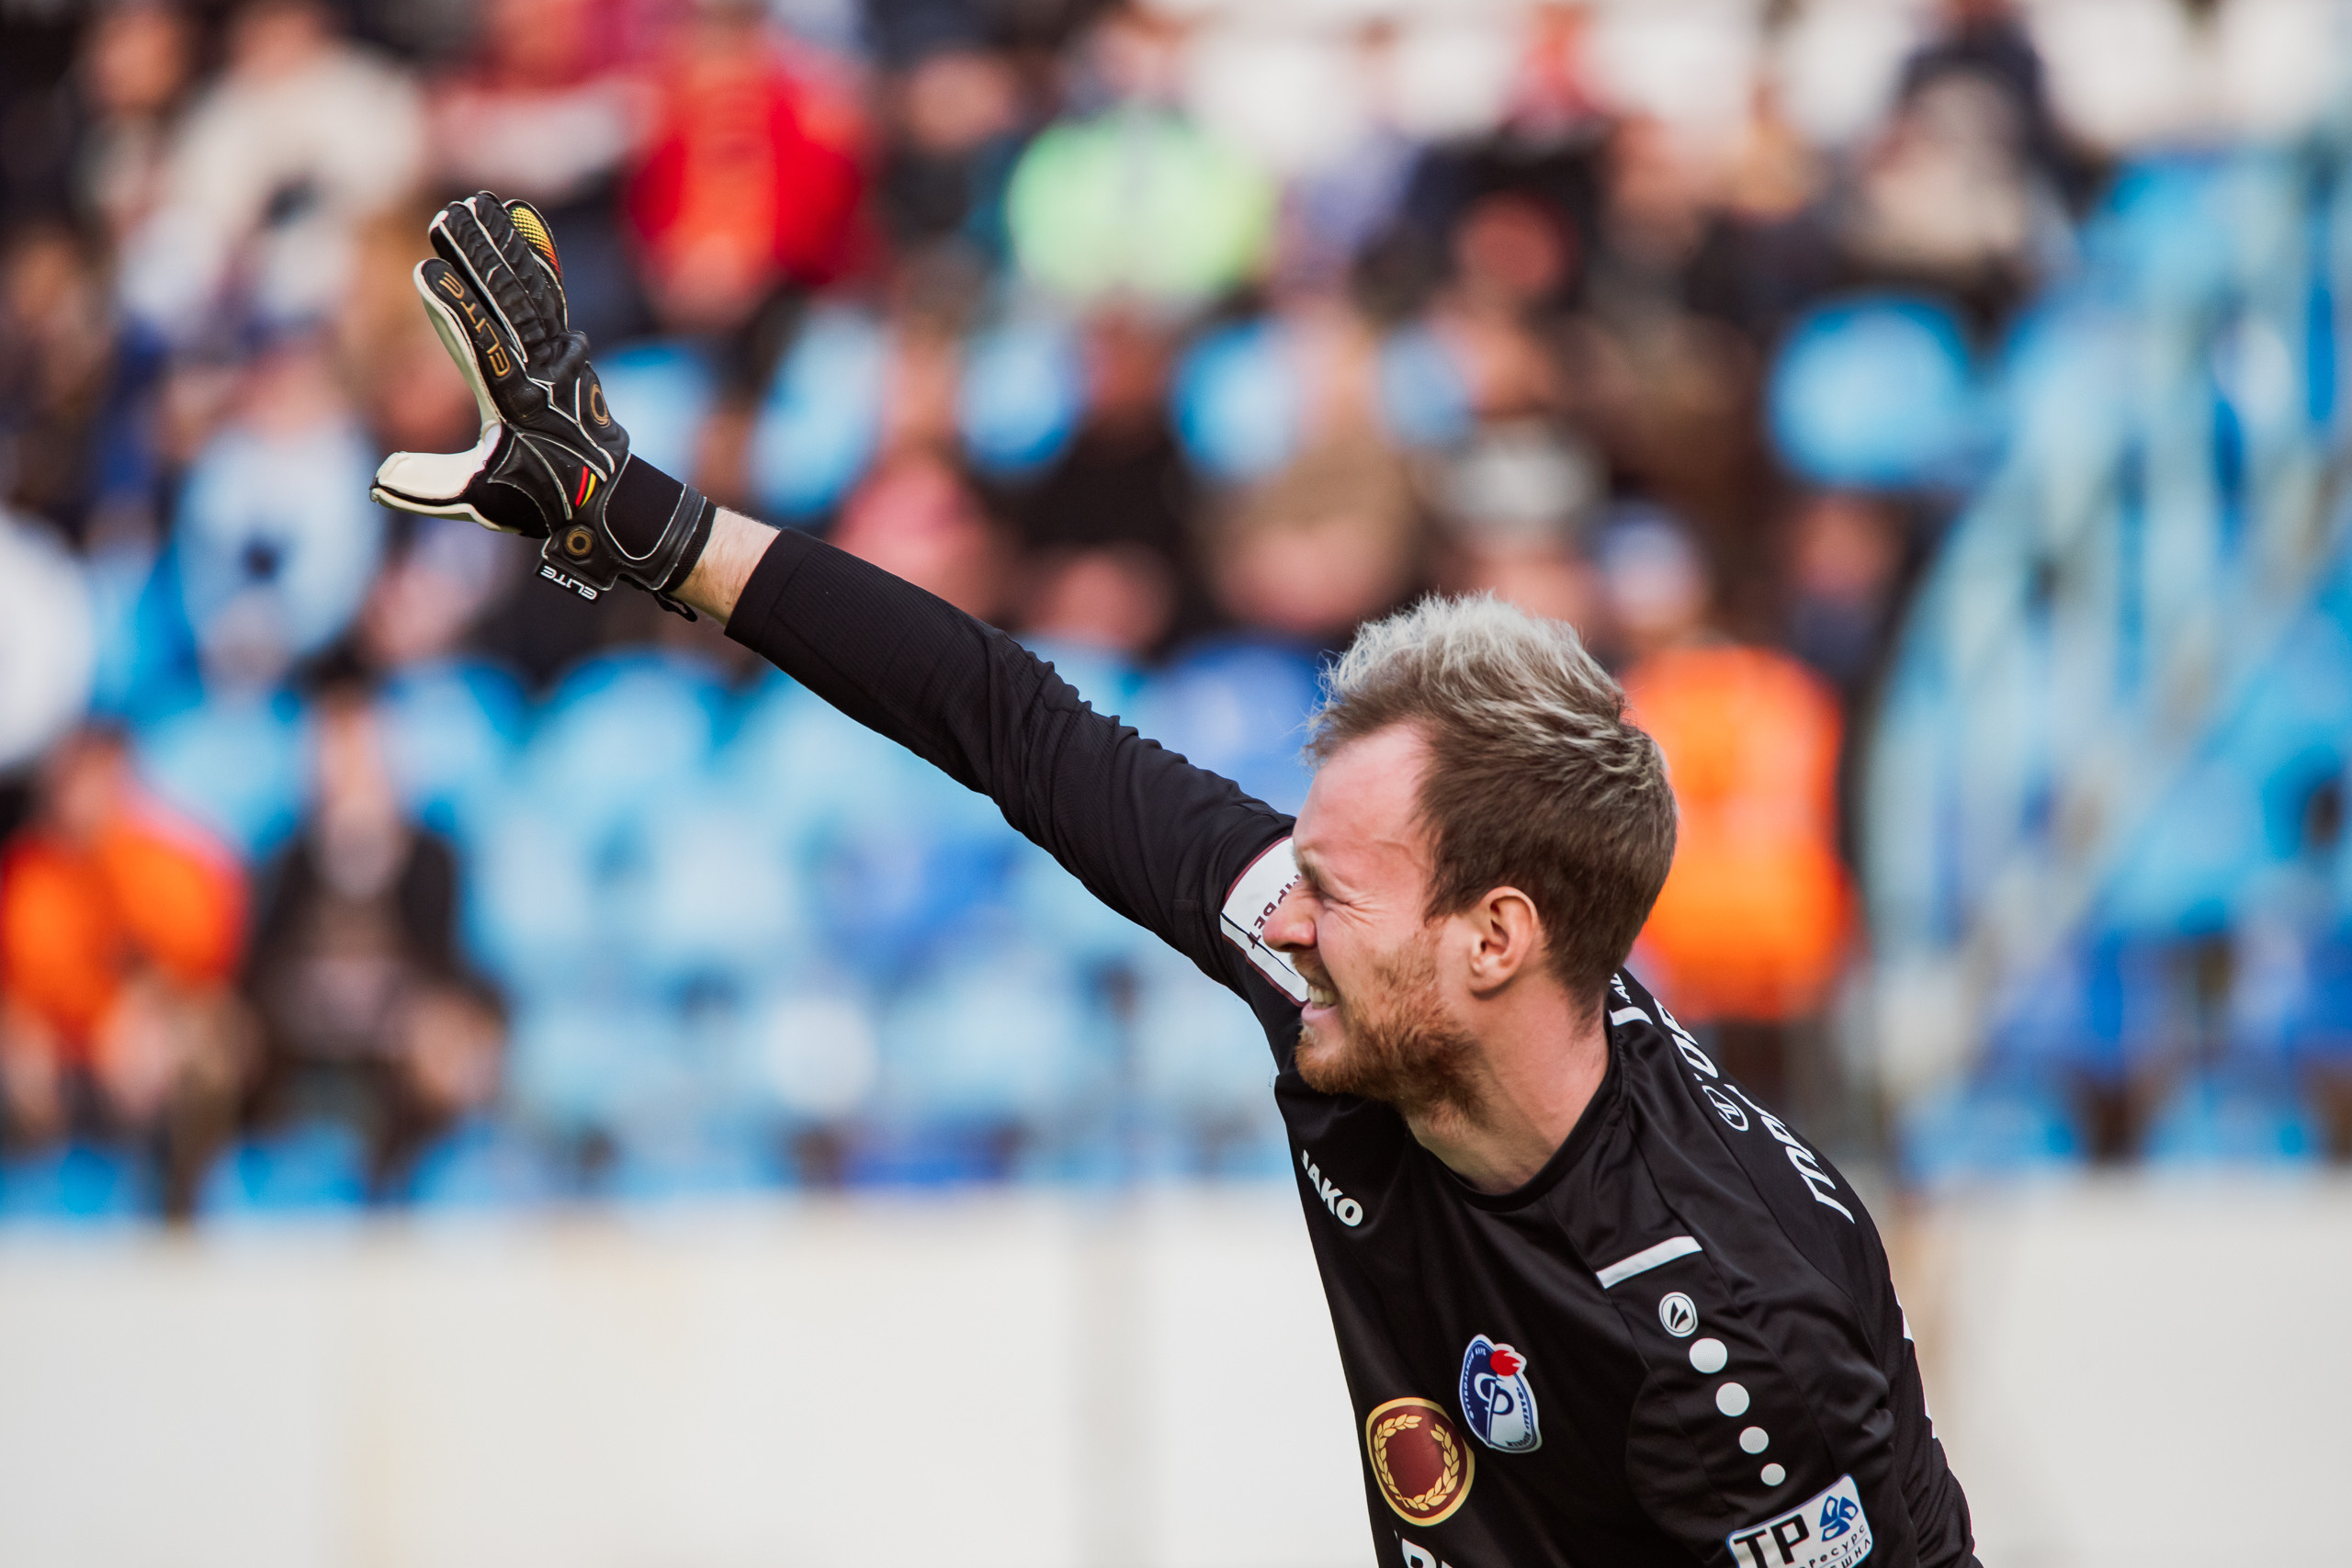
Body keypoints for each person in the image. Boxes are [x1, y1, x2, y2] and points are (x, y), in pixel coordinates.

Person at [372, 193, 1978, 1567]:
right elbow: (1010, 721)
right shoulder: (1353, 971)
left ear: (1496, 939)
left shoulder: (1729, 1338)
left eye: (1335, 892)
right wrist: (635, 519)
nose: (1283, 916)